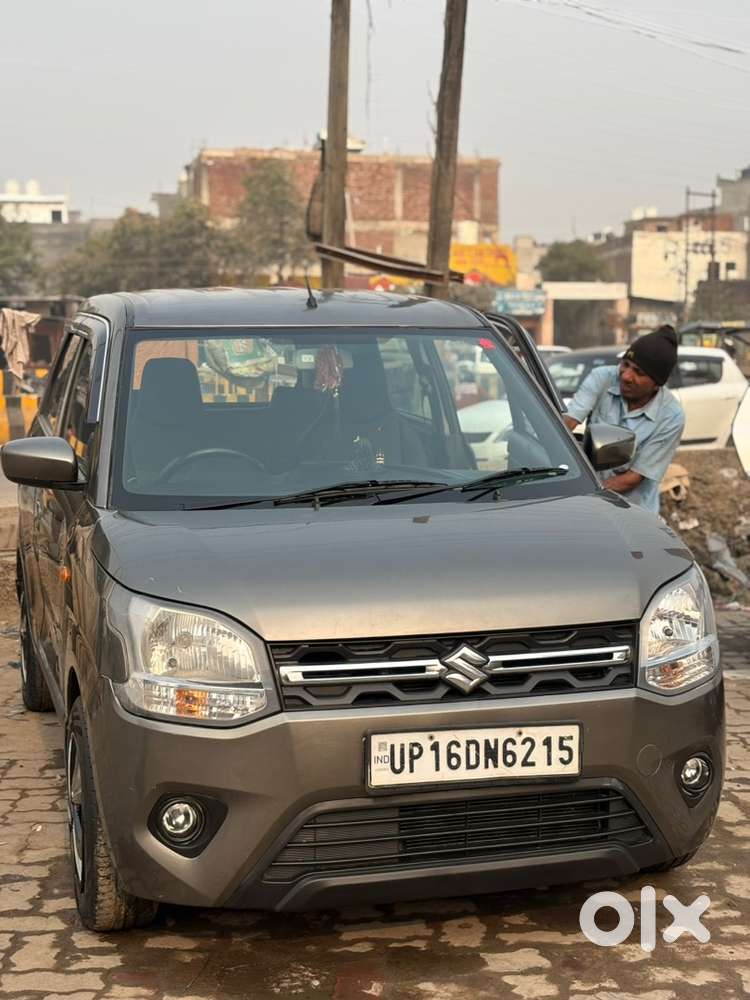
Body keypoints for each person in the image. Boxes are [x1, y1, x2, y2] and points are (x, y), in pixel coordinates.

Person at [563, 325, 684, 514]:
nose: (626, 376)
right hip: (588, 499)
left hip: (632, 513)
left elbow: (633, 478)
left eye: (639, 373)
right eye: (625, 364)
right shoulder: (602, 378)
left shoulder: (671, 417)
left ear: (657, 384)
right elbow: (568, 422)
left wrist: (585, 493)